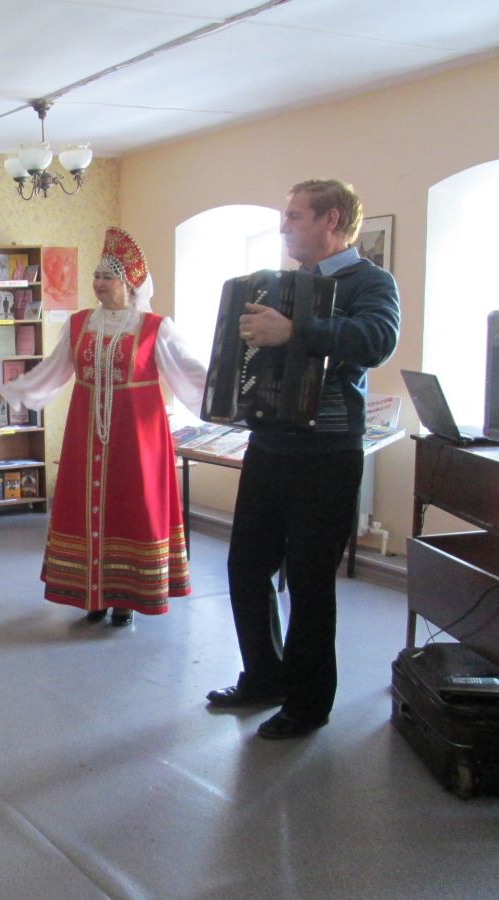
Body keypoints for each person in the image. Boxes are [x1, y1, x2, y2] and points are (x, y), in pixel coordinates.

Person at [206, 179, 401, 740]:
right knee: (246, 567)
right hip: (269, 445)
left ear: (331, 220)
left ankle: (308, 704)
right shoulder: (279, 285)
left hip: (327, 454)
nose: (284, 225)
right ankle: (263, 677)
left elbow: (377, 340)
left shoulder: (371, 281)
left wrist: (296, 330)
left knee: (311, 582)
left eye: (295, 215)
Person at [0, 228, 206, 626]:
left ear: (129, 284)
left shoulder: (155, 327)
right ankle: (94, 595)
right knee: (88, 507)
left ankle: (126, 598)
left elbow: (190, 373)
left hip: (138, 437)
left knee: (131, 507)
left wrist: (234, 393)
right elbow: (51, 371)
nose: (98, 283)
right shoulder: (80, 324)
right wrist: (7, 391)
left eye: (108, 277)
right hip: (87, 434)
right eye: (96, 276)